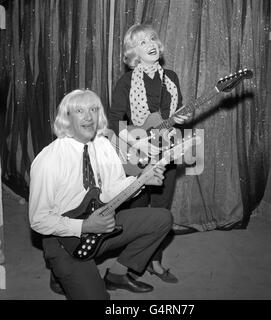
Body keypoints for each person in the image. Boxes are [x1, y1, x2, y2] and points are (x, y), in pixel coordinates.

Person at [28, 89, 173, 300]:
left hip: (103, 223)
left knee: (162, 219)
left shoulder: (103, 145)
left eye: (94, 109)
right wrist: (85, 227)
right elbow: (38, 220)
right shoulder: (48, 160)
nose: (88, 117)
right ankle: (61, 270)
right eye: (80, 111)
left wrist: (142, 180)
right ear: (66, 118)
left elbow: (111, 192)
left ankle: (117, 274)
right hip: (65, 241)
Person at [108, 23, 195, 284]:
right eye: (143, 42)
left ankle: (155, 262)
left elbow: (172, 115)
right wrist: (138, 144)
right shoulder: (126, 81)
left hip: (167, 150)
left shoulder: (172, 78)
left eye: (153, 39)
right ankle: (129, 266)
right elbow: (113, 120)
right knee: (137, 209)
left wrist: (182, 117)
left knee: (162, 207)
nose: (151, 44)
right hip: (138, 154)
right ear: (133, 51)